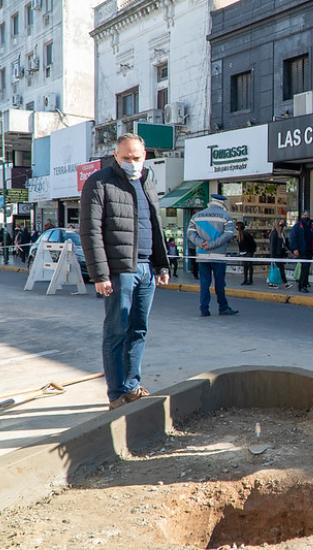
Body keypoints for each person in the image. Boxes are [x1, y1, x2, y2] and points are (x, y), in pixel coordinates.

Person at [79, 133, 171, 410]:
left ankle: (132, 386)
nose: (132, 162)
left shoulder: (147, 181)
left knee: (138, 330)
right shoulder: (99, 182)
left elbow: (154, 225)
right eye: (126, 157)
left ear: (145, 156)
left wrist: (162, 264)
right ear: (116, 156)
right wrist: (100, 275)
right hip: (119, 271)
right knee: (117, 331)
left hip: (146, 269)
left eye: (137, 157)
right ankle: (116, 393)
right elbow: (90, 231)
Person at [187, 194, 238, 317]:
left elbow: (190, 234)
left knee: (204, 283)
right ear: (222, 203)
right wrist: (212, 244)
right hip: (218, 256)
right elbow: (228, 234)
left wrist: (201, 243)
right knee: (220, 283)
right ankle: (223, 307)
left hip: (202, 255)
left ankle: (204, 309)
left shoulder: (197, 216)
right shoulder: (226, 216)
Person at [289, 210, 313, 293]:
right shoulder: (298, 226)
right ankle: (302, 286)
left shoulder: (311, 226)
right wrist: (295, 249)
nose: (306, 217)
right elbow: (293, 237)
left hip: (309, 250)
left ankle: (304, 284)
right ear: (302, 216)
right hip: (302, 251)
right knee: (304, 268)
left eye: (308, 215)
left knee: (306, 269)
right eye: (305, 215)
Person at [269, 220, 292, 289]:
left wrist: (288, 250)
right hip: (276, 254)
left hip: (280, 253)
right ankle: (285, 283)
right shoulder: (274, 233)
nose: (282, 227)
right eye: (280, 226)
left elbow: (284, 244)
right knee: (280, 268)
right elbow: (272, 245)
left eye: (283, 226)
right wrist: (272, 257)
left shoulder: (281, 233)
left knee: (276, 268)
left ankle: (271, 282)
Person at [236, 221, 257, 286]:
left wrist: (251, 251)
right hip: (244, 252)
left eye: (237, 226)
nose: (236, 227)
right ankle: (246, 280)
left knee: (249, 266)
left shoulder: (246, 234)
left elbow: (252, 243)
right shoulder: (239, 234)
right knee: (245, 266)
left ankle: (250, 280)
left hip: (248, 252)